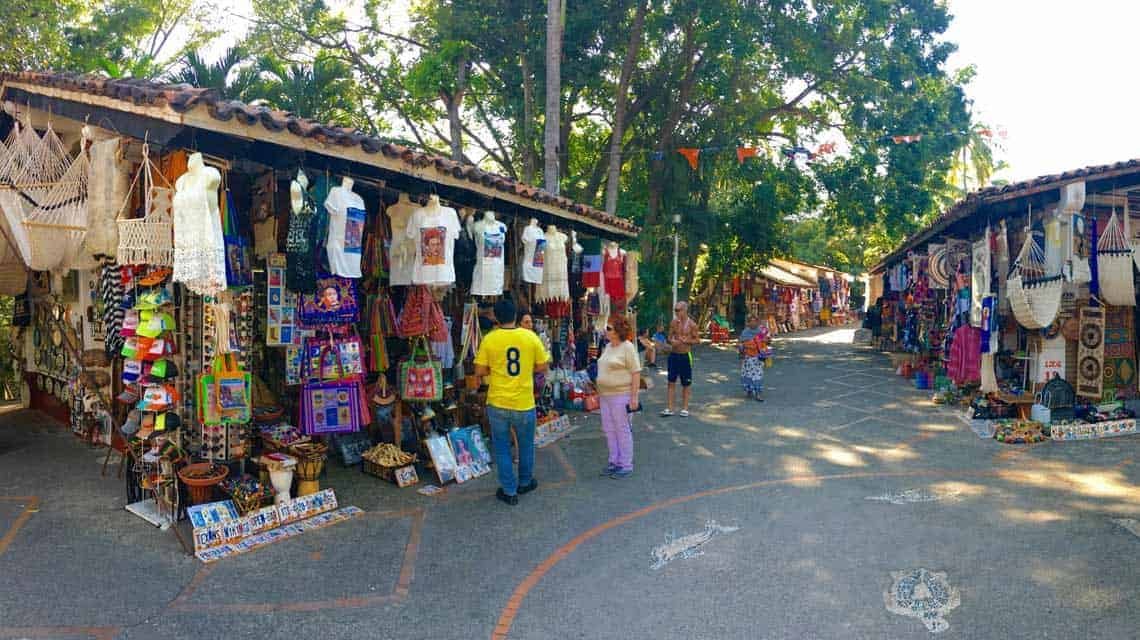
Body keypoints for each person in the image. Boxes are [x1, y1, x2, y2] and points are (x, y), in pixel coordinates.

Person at [474, 299, 551, 506]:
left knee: (501, 448)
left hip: (498, 402)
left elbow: (479, 371)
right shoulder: (529, 336)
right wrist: (527, 369)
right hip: (524, 403)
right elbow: (543, 366)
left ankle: (509, 491)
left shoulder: (490, 339)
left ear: (496, 317)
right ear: (516, 315)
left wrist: (495, 369)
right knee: (526, 446)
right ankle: (525, 482)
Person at [597, 316, 641, 478]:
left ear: (617, 331)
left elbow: (636, 372)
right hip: (605, 396)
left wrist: (634, 397)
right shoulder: (608, 347)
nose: (605, 331)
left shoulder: (627, 347)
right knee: (609, 429)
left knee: (622, 430)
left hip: (621, 395)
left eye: (609, 328)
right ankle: (614, 461)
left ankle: (626, 464)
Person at [662, 301, 699, 417]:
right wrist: (671, 341)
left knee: (686, 384)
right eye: (675, 310)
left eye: (678, 310)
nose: (676, 312)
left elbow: (697, 340)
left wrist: (686, 341)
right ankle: (670, 408)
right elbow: (669, 337)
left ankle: (685, 408)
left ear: (685, 310)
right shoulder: (674, 322)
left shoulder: (692, 325)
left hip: (685, 356)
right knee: (670, 382)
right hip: (674, 355)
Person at [738, 314, 768, 401]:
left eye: (755, 321)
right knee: (747, 374)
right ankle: (749, 391)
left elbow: (767, 341)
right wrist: (742, 350)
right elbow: (740, 343)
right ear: (748, 323)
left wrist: (765, 340)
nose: (753, 323)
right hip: (748, 358)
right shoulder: (745, 332)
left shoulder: (760, 332)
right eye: (751, 321)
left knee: (757, 375)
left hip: (758, 358)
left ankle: (758, 393)